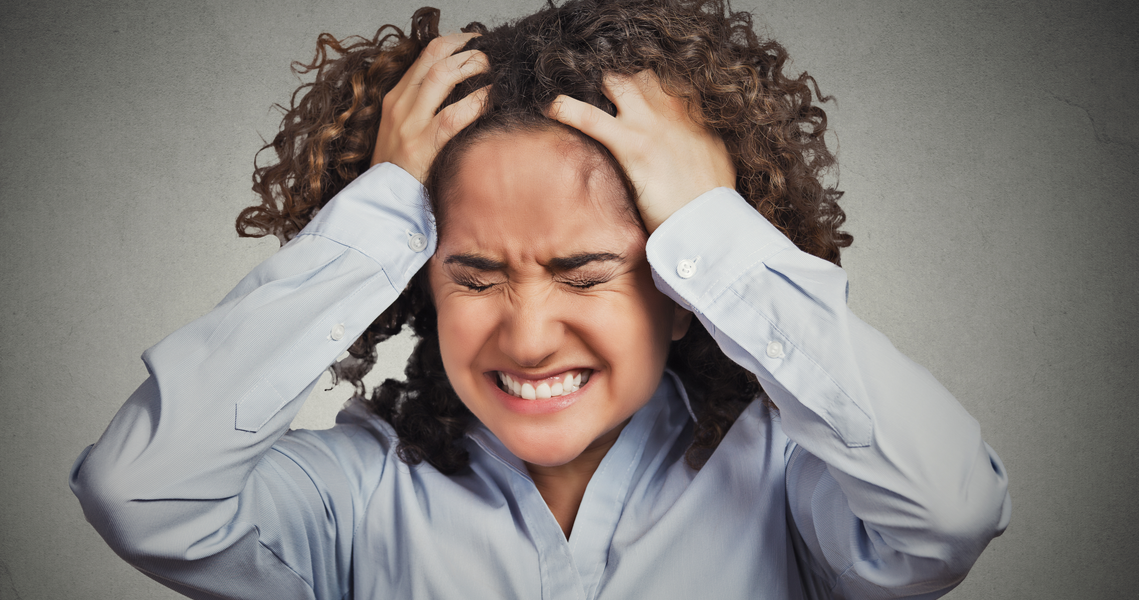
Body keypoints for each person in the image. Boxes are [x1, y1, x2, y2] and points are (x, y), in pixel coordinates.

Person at [70, 0, 1011, 598]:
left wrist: (710, 228)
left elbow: (949, 511)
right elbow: (141, 491)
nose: (526, 336)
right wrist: (379, 216)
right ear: (416, 280)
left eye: (588, 274)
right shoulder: (353, 500)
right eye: (473, 277)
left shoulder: (786, 485)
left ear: (683, 290)